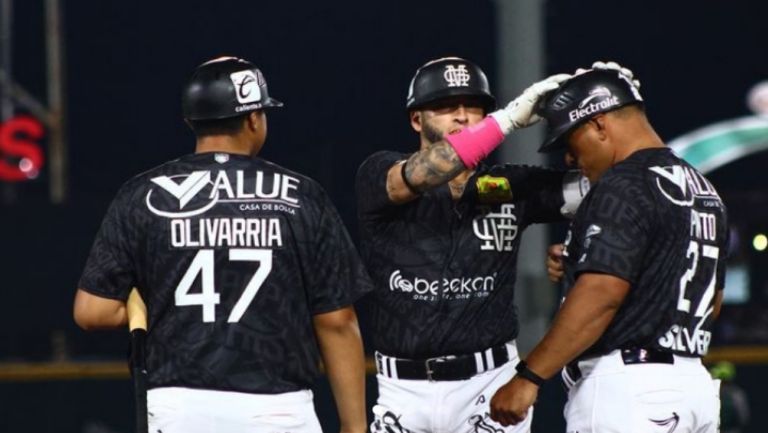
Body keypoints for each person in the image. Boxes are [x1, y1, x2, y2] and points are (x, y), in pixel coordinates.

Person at [73, 56, 372, 433]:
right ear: (253, 119)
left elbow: (92, 312)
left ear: (190, 121)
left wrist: (157, 302)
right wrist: (355, 426)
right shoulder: (301, 196)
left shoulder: (143, 194)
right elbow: (338, 321)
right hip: (277, 410)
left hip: (177, 406)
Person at [355, 56, 591, 433]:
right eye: (446, 107)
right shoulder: (379, 174)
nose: (463, 116)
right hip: (402, 391)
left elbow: (614, 188)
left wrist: (610, 104)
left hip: (490, 384)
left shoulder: (511, 186)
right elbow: (415, 177)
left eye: (474, 107)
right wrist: (506, 119)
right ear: (417, 120)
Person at [489, 68, 728, 433]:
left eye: (571, 140)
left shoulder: (622, 183)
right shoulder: (703, 189)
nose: (569, 158)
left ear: (600, 124)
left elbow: (602, 295)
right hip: (694, 388)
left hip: (631, 392)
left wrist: (528, 377)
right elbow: (712, 300)